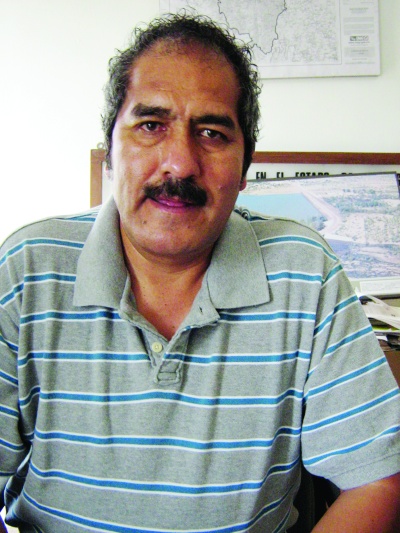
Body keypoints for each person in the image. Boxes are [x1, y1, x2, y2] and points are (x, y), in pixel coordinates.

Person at [0, 12, 399, 533]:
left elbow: (377, 480)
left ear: (245, 167)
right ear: (111, 150)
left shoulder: (305, 272)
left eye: (211, 133)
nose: (180, 163)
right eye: (151, 125)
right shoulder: (28, 269)